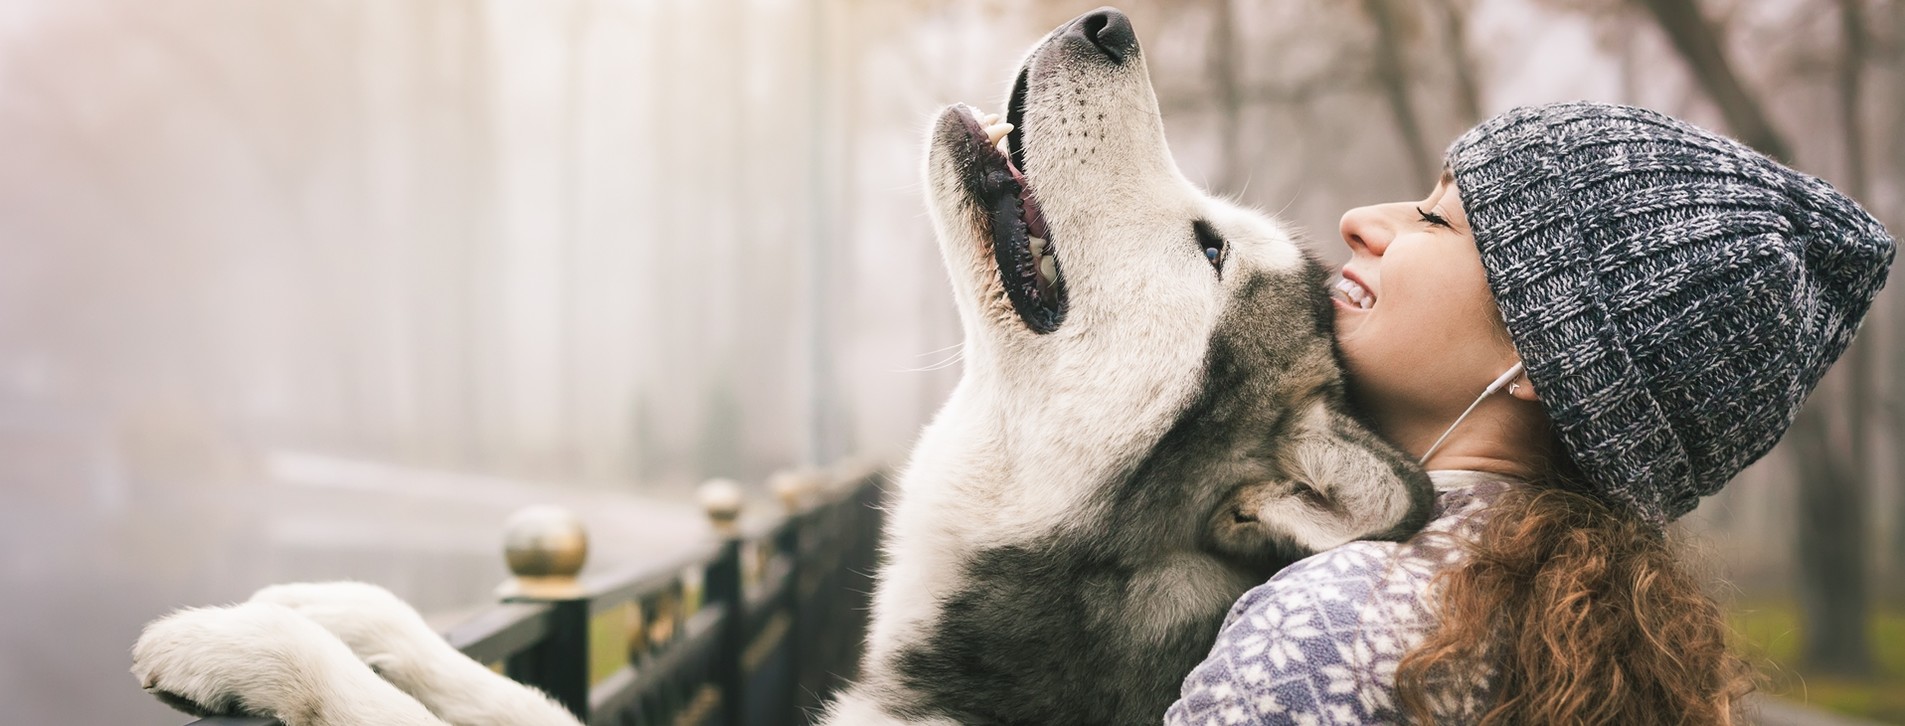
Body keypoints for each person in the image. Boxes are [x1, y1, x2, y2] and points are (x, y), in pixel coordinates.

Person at [1165, 101, 1896, 725]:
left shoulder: (1330, 632)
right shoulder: (1624, 664)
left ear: (1547, 354)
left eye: (1435, 219)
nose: (1359, 221)